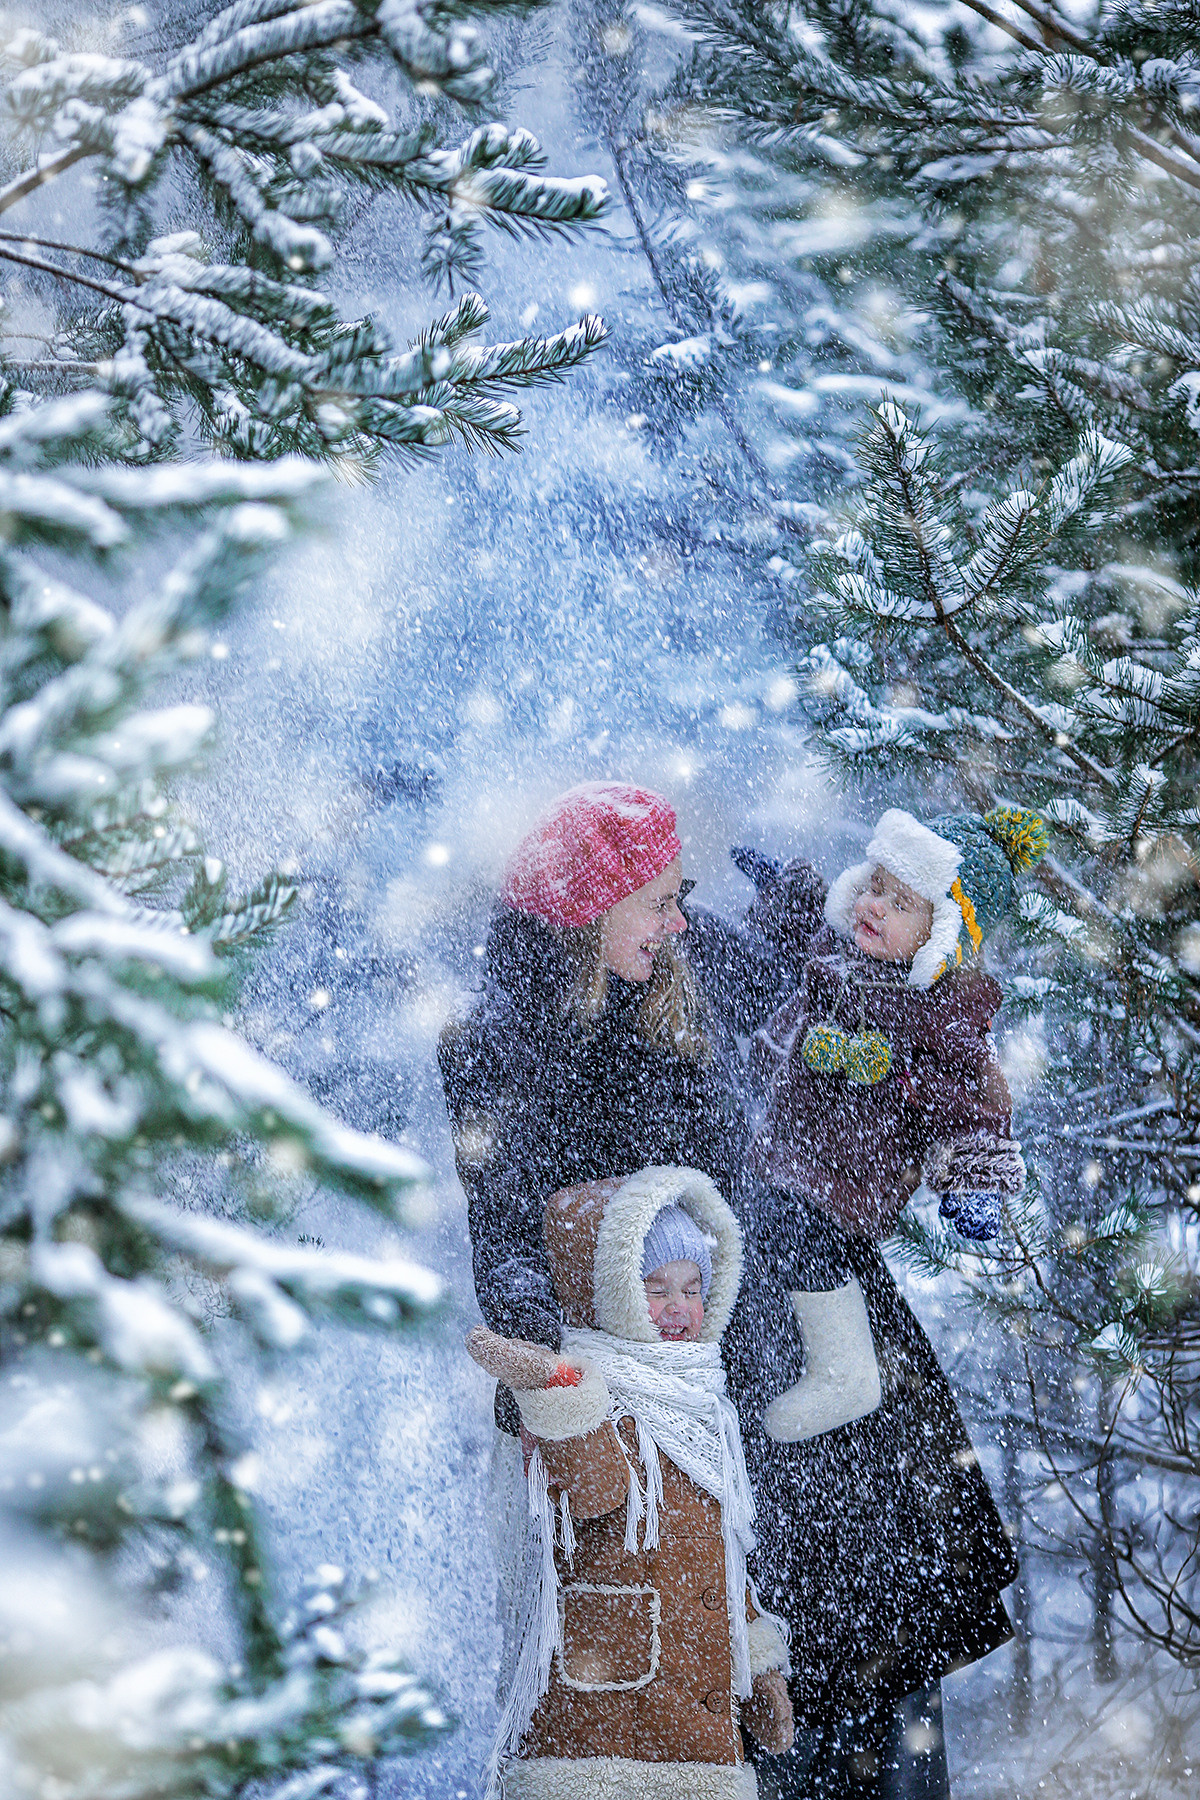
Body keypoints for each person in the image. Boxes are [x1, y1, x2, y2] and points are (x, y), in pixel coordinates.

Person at [725, 805, 1048, 1797]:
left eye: (901, 901)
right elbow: (794, 929)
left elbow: (972, 1115)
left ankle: (842, 1375)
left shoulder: (938, 1024)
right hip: (767, 1223)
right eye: (872, 884)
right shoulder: (828, 955)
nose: (874, 906)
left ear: (941, 930)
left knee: (854, 1583)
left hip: (833, 1239)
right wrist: (783, 889)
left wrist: (977, 1186)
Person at [465, 1165, 794, 1800]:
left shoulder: (704, 1406)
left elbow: (718, 1558)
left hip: (697, 1729)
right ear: (612, 1291)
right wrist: (555, 1388)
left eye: (693, 1288)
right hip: (607, 1717)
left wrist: (758, 1665)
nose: (678, 1308)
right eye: (656, 1289)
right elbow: (590, 1494)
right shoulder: (605, 1395)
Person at [438, 782, 753, 1437]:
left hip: (723, 1346)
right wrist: (537, 1344)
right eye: (659, 903)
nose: (680, 921)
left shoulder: (686, 964)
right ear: (595, 910)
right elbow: (503, 1223)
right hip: (599, 1370)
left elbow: (809, 996)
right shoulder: (498, 1045)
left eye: (679, 896)